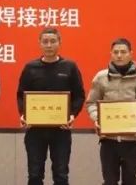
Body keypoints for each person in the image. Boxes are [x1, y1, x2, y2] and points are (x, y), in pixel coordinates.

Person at [16, 27, 86, 185]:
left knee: (61, 175)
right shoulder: (30, 68)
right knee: (34, 175)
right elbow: (21, 95)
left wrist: (72, 115)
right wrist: (23, 114)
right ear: (39, 43)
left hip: (61, 130)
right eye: (45, 41)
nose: (49, 45)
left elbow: (79, 95)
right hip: (35, 130)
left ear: (60, 43)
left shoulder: (70, 66)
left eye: (53, 41)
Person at [86, 37, 136, 185]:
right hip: (108, 140)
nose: (119, 55)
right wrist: (98, 119)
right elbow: (91, 103)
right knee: (109, 180)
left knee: (130, 180)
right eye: (116, 52)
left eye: (123, 52)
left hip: (132, 140)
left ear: (131, 54)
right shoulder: (101, 77)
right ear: (111, 54)